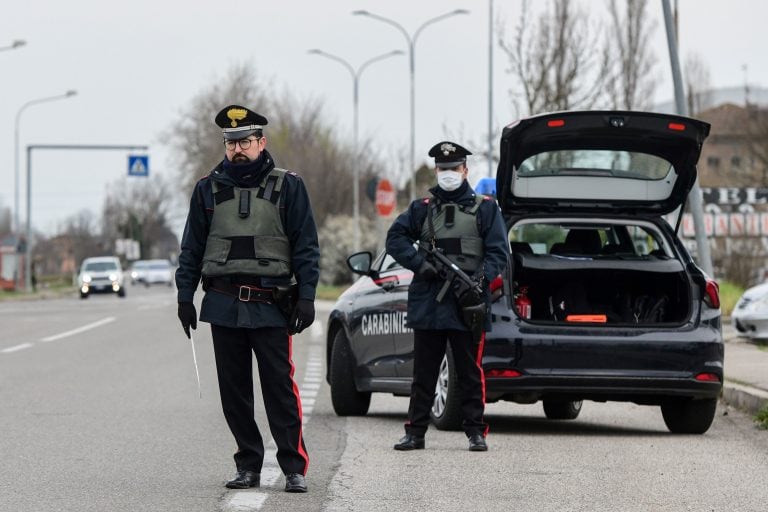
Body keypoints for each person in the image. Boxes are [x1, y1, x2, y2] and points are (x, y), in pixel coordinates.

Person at [175, 104, 320, 493]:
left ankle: (293, 466)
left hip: (271, 303)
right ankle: (248, 465)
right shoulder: (207, 189)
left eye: (243, 141)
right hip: (222, 303)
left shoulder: (289, 186)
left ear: (260, 142)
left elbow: (306, 246)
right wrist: (184, 294)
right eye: (230, 142)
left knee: (279, 389)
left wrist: (307, 296)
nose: (237, 149)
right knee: (234, 393)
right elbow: (191, 247)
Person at [386, 141, 509, 452]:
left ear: (465, 170)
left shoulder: (486, 208)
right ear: (436, 171)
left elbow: (499, 254)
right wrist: (420, 265)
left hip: (468, 302)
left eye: (454, 168)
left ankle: (475, 432)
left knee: (470, 371)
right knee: (423, 373)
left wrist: (479, 280)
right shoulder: (421, 208)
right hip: (429, 300)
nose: (448, 173)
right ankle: (415, 433)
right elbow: (395, 239)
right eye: (443, 169)